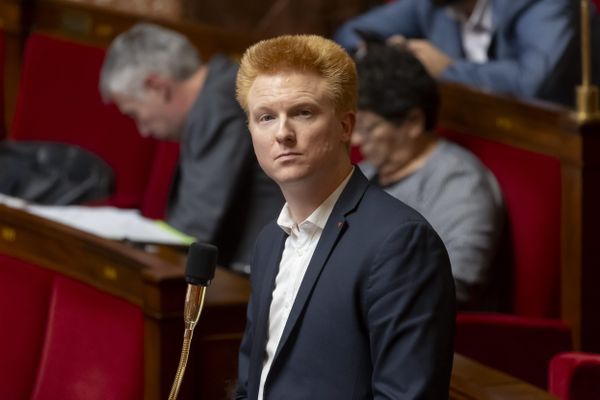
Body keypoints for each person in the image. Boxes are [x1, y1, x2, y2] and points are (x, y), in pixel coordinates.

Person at [234, 34, 455, 399]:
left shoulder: (399, 243)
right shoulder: (269, 241)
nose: (283, 134)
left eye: (303, 113)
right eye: (266, 117)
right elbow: (250, 387)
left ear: (346, 127)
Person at [99, 23, 284, 271]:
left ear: (158, 87)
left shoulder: (220, 107)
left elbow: (193, 230)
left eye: (135, 115)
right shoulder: (220, 88)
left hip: (261, 277)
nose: (142, 131)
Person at [353, 44, 505, 310]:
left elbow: (454, 282)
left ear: (413, 122)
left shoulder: (459, 182)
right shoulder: (365, 172)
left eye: (368, 128)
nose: (355, 139)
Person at [334, 0, 600, 106]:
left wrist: (446, 69)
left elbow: (533, 82)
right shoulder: (430, 5)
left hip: (556, 149)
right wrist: (392, 57)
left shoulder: (542, 3)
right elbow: (350, 34)